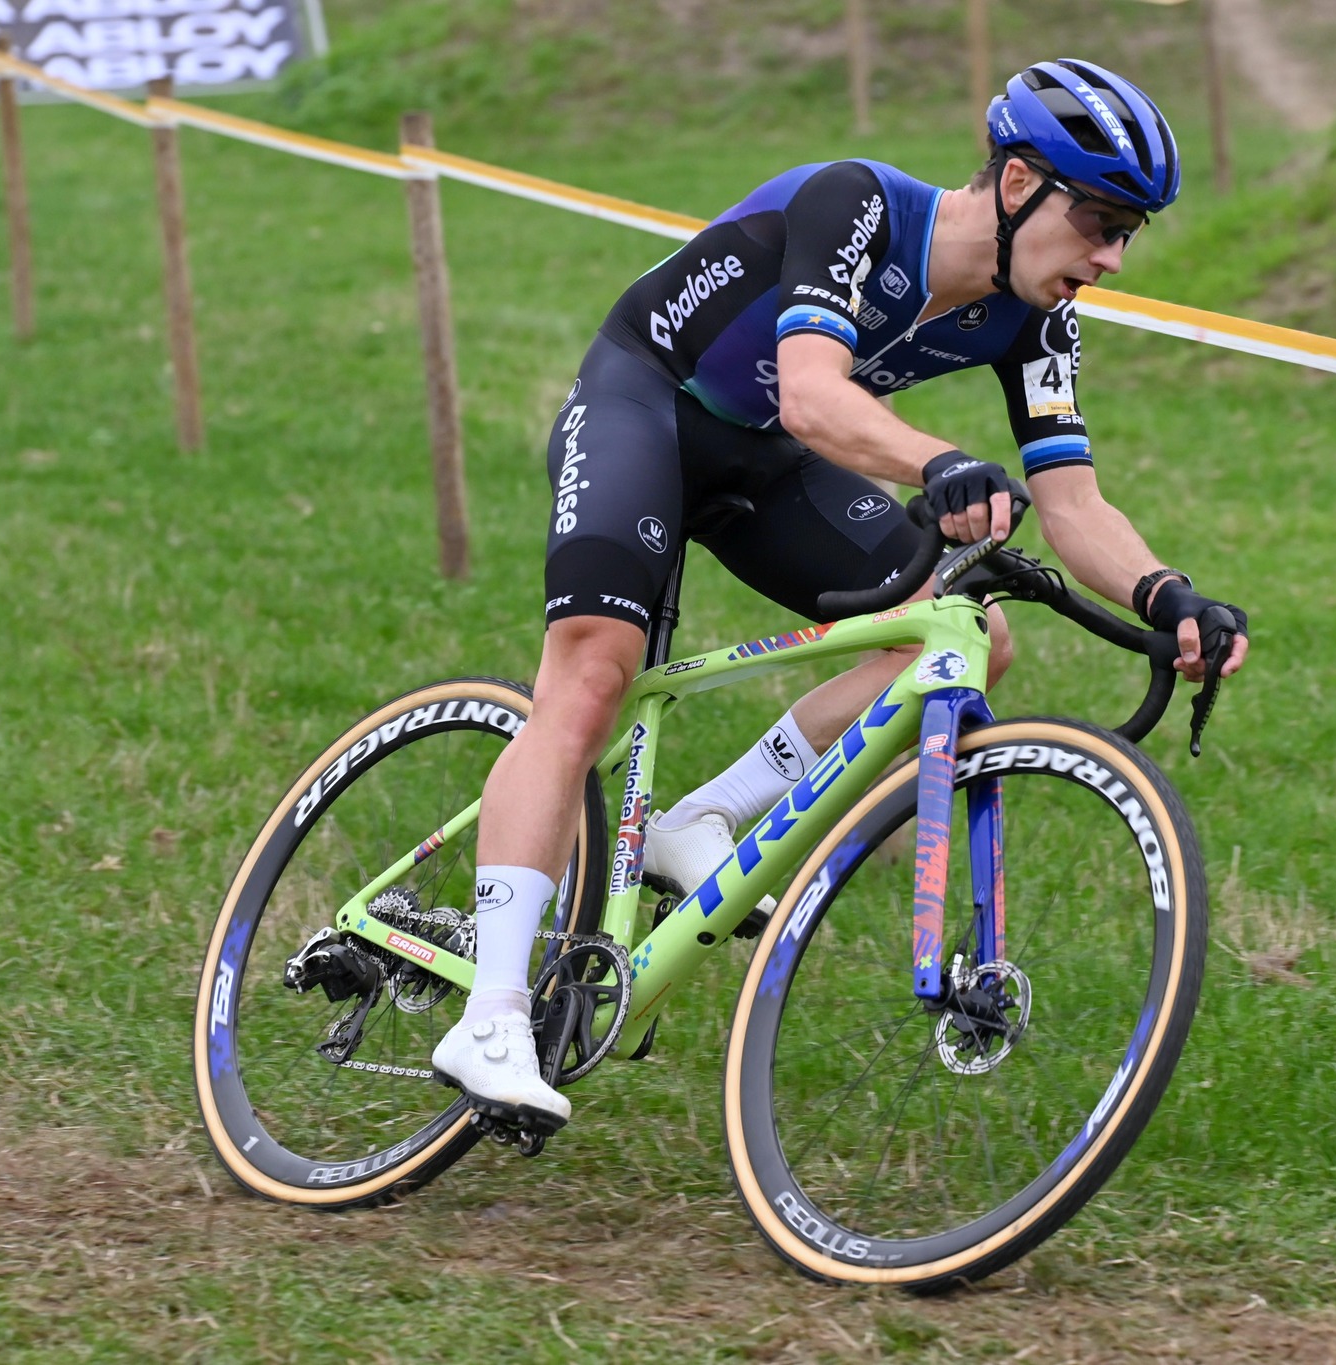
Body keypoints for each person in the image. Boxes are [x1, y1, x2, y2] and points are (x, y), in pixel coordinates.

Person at [431, 59, 1251, 1133]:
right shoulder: (855, 205)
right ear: (1014, 187)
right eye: (1096, 220)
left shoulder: (1036, 320)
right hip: (647, 406)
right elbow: (817, 397)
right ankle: (488, 1011)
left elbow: (1074, 500)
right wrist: (939, 462)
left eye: (1125, 233)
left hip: (761, 458)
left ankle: (706, 817)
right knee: (591, 681)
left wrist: (1166, 593)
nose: (1108, 256)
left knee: (969, 638)